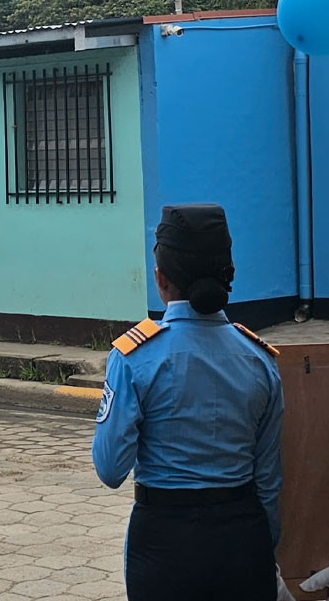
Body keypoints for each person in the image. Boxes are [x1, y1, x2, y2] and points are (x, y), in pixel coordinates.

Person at [91, 204, 285, 601]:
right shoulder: (261, 360)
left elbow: (111, 469)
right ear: (228, 274)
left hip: (164, 542)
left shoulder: (133, 358)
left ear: (161, 280)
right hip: (243, 539)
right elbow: (268, 480)